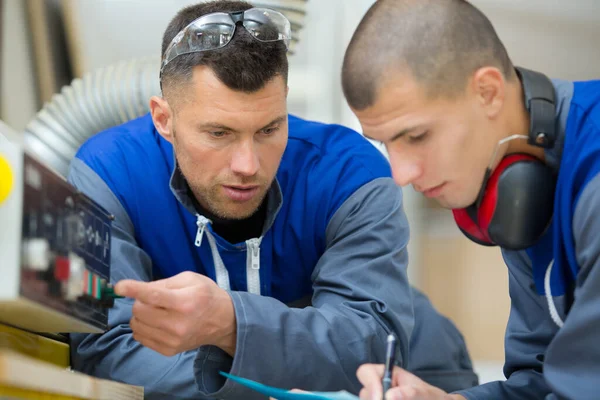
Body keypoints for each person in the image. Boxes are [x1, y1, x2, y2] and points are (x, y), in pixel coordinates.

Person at [67, 1, 478, 399]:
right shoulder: (108, 174)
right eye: (219, 133)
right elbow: (104, 350)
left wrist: (229, 324)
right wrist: (252, 377)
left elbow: (365, 343)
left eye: (268, 129)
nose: (248, 165)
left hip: (423, 377)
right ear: (164, 120)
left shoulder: (350, 174)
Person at [340, 0, 600, 399]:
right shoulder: (521, 176)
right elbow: (541, 383)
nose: (400, 174)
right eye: (386, 144)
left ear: (488, 91)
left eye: (416, 136)